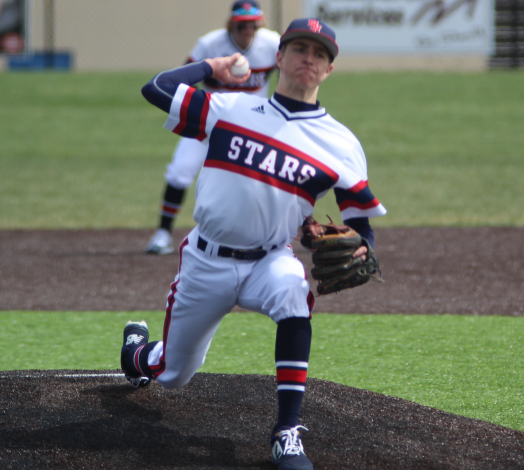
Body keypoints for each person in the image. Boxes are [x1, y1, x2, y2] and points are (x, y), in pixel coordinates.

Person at [122, 18, 387, 470]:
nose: (309, 58)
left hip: (271, 260)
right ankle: (137, 354)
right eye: (300, 48)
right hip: (206, 261)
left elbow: (359, 217)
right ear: (278, 58)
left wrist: (364, 244)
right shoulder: (230, 109)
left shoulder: (340, 143)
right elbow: (156, 88)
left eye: (320, 54)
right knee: (173, 375)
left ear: (329, 70)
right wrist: (212, 66)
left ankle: (287, 433)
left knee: (293, 294)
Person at [145, 0, 280, 254]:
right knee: (179, 171)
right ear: (231, 23)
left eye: (253, 24)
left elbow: (289, 74)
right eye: (242, 24)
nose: (248, 29)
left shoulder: (272, 44)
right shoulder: (210, 43)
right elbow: (185, 77)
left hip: (252, 125)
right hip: (210, 118)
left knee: (274, 176)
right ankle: (163, 233)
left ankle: (298, 231)